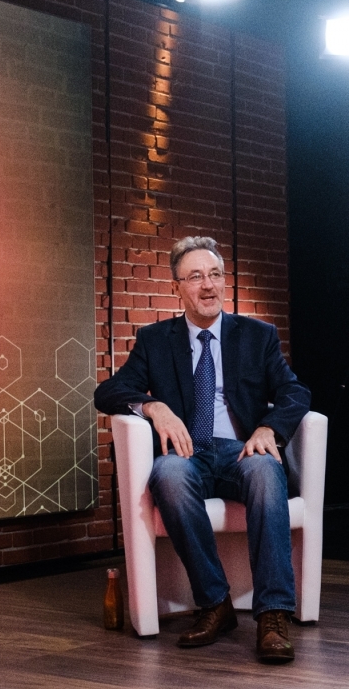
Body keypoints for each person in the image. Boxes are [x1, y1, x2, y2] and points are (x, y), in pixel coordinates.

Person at [95, 236, 312, 662]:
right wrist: (153, 406)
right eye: (195, 277)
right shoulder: (156, 340)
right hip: (188, 451)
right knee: (168, 475)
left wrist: (270, 429)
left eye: (215, 275)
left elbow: (294, 391)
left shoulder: (257, 335)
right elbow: (109, 391)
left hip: (241, 451)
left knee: (268, 471)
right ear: (177, 287)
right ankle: (214, 603)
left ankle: (273, 614)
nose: (208, 285)